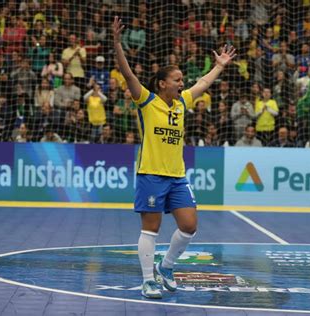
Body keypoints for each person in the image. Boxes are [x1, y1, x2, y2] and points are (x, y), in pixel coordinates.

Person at [113, 16, 236, 299]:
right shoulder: (146, 100)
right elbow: (128, 74)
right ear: (162, 84)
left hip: (177, 175)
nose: (183, 83)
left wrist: (218, 66)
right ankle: (147, 281)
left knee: (189, 226)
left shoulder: (181, 102)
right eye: (177, 80)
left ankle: (165, 267)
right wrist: (117, 43)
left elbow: (203, 83)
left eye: (182, 80)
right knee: (151, 229)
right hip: (152, 174)